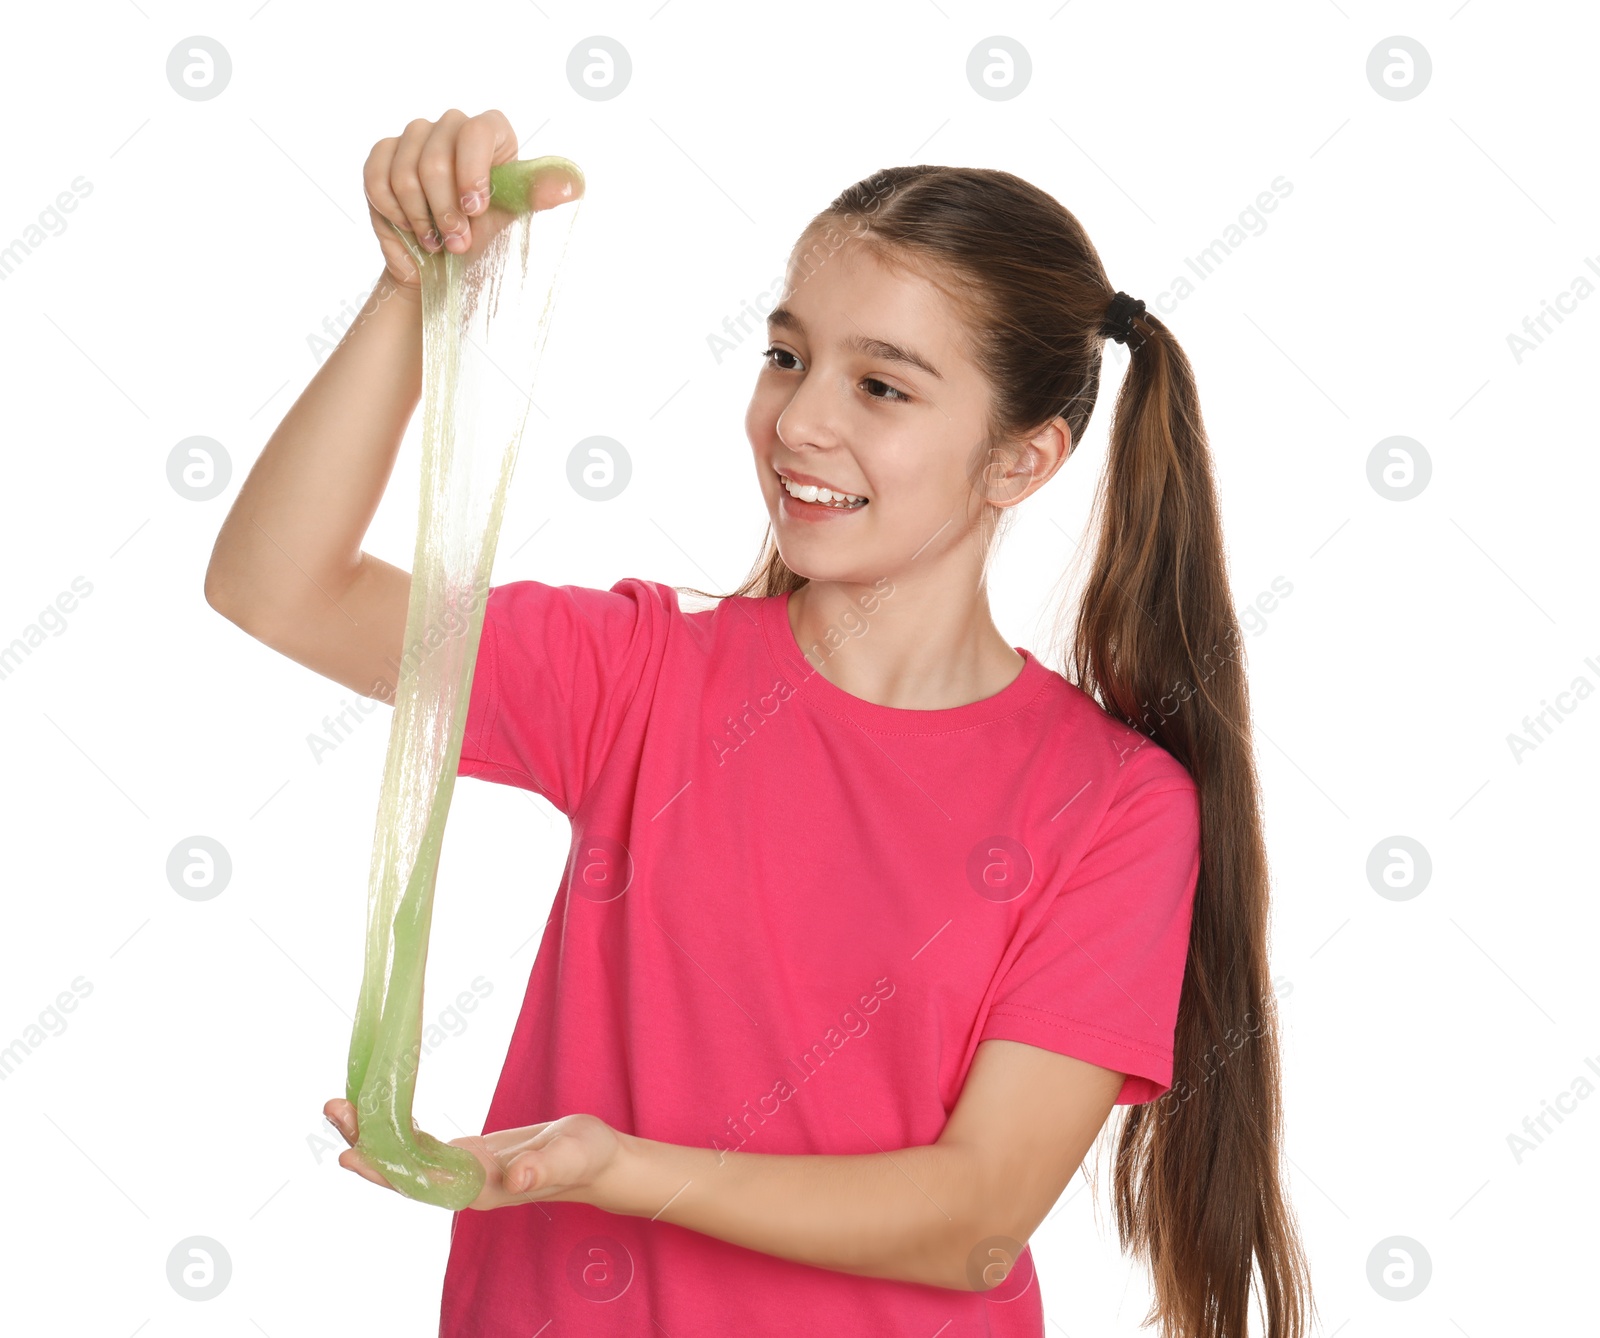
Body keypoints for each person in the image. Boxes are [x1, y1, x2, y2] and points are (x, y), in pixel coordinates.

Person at [205, 108, 1313, 1337]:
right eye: (787, 357)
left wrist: (608, 1168)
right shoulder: (639, 672)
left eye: (880, 385)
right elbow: (279, 586)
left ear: (1021, 460)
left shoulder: (1111, 805)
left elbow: (976, 1218)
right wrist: (412, 295)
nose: (798, 422)